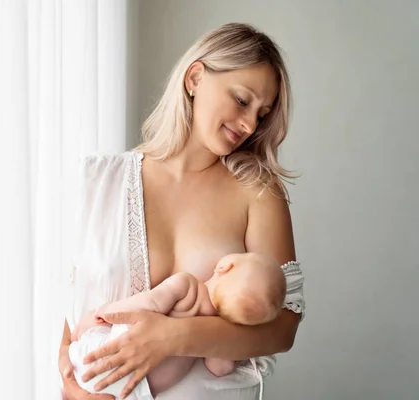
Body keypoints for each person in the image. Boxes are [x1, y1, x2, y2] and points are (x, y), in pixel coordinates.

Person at [58, 22, 306, 400]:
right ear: (195, 78)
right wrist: (70, 383)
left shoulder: (258, 193)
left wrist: (174, 337)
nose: (249, 124)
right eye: (242, 100)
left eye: (262, 113)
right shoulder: (101, 180)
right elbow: (63, 308)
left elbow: (283, 327)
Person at [68, 252, 287, 399]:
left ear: (225, 266)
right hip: (138, 390)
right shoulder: (217, 333)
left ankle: (81, 342)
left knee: (90, 330)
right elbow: (219, 369)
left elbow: (149, 302)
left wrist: (108, 312)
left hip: (103, 353)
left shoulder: (188, 286)